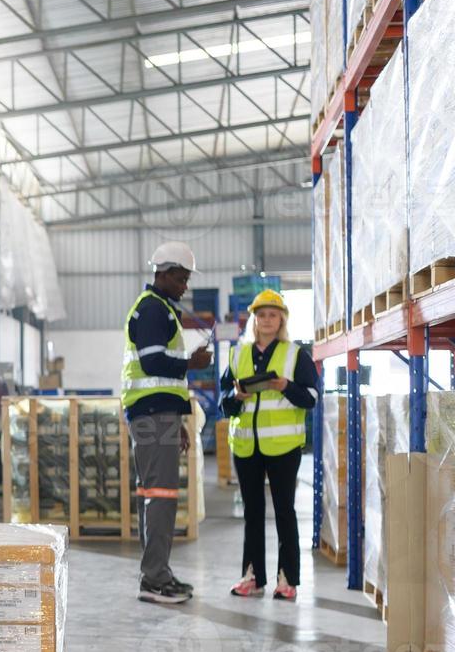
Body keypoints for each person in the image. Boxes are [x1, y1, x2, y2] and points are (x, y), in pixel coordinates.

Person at [121, 241, 214, 605]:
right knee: (160, 496)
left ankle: (156, 574)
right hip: (152, 412)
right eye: (181, 278)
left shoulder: (160, 309)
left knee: (153, 495)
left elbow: (163, 375)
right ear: (162, 273)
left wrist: (181, 423)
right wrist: (192, 362)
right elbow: (154, 363)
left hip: (157, 412)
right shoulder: (152, 310)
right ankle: (155, 579)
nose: (185, 286)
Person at [219, 290, 318, 600]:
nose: (266, 320)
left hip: (284, 448)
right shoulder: (238, 355)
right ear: (254, 319)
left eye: (272, 315)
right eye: (261, 315)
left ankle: (287, 580)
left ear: (282, 319)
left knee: (284, 511)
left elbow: (312, 398)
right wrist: (236, 397)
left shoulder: (295, 355)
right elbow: (225, 404)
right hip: (246, 447)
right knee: (252, 512)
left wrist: (285, 386)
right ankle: (252, 577)